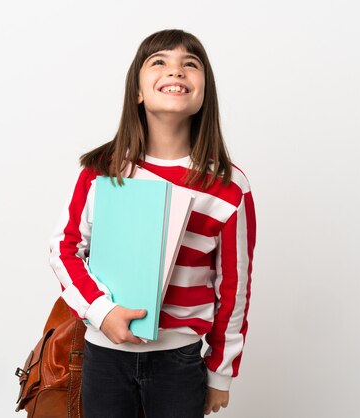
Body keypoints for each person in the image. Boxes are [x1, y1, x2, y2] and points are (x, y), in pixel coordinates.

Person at [49, 28, 257, 418]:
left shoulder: (228, 187)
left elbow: (234, 286)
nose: (175, 71)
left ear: (203, 95)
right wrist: (100, 311)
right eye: (159, 62)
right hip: (103, 356)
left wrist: (220, 373)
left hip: (179, 362)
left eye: (190, 64)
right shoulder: (103, 171)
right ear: (138, 92)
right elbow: (64, 249)